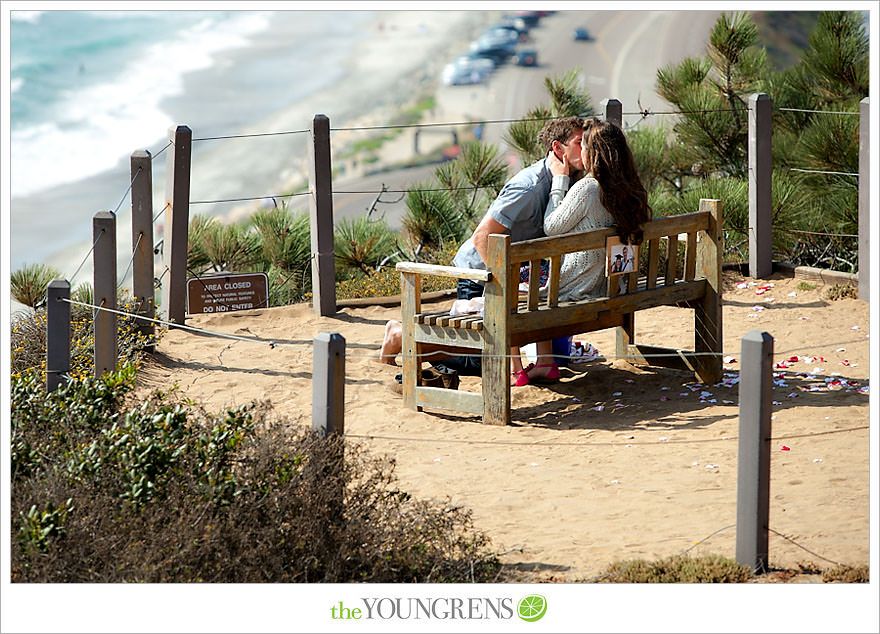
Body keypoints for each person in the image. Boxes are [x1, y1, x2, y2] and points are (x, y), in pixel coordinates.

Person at [379, 116, 589, 385]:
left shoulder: (567, 182)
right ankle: (401, 335)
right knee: (481, 361)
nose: (586, 149)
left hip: (516, 275)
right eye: (580, 143)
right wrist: (504, 285)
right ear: (558, 149)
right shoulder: (528, 186)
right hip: (480, 271)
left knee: (508, 342)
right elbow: (482, 237)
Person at [540, 117, 651, 304]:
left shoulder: (588, 189)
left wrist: (559, 180)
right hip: (614, 288)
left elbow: (551, 228)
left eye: (582, 146)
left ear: (592, 153)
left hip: (576, 291)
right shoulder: (632, 189)